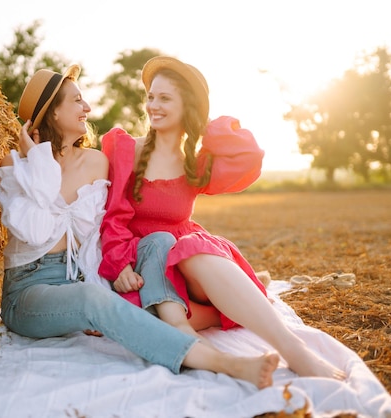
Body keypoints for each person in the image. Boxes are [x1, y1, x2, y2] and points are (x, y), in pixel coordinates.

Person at [0, 64, 280, 389]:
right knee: (91, 300)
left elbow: (101, 232)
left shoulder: (96, 162)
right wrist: (39, 161)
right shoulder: (17, 165)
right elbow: (35, 229)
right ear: (52, 113)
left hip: (80, 275)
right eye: (76, 101)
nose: (87, 107)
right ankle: (222, 362)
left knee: (156, 241)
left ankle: (199, 311)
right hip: (29, 290)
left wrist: (114, 274)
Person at [99, 56, 346, 380]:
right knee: (140, 317)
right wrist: (120, 265)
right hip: (145, 263)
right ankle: (225, 304)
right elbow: (113, 217)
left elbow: (248, 157)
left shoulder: (197, 163)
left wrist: (202, 123)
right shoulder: (126, 148)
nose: (152, 106)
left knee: (188, 247)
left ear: (187, 106)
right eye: (151, 96)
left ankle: (295, 352)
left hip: (189, 263)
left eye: (165, 98)